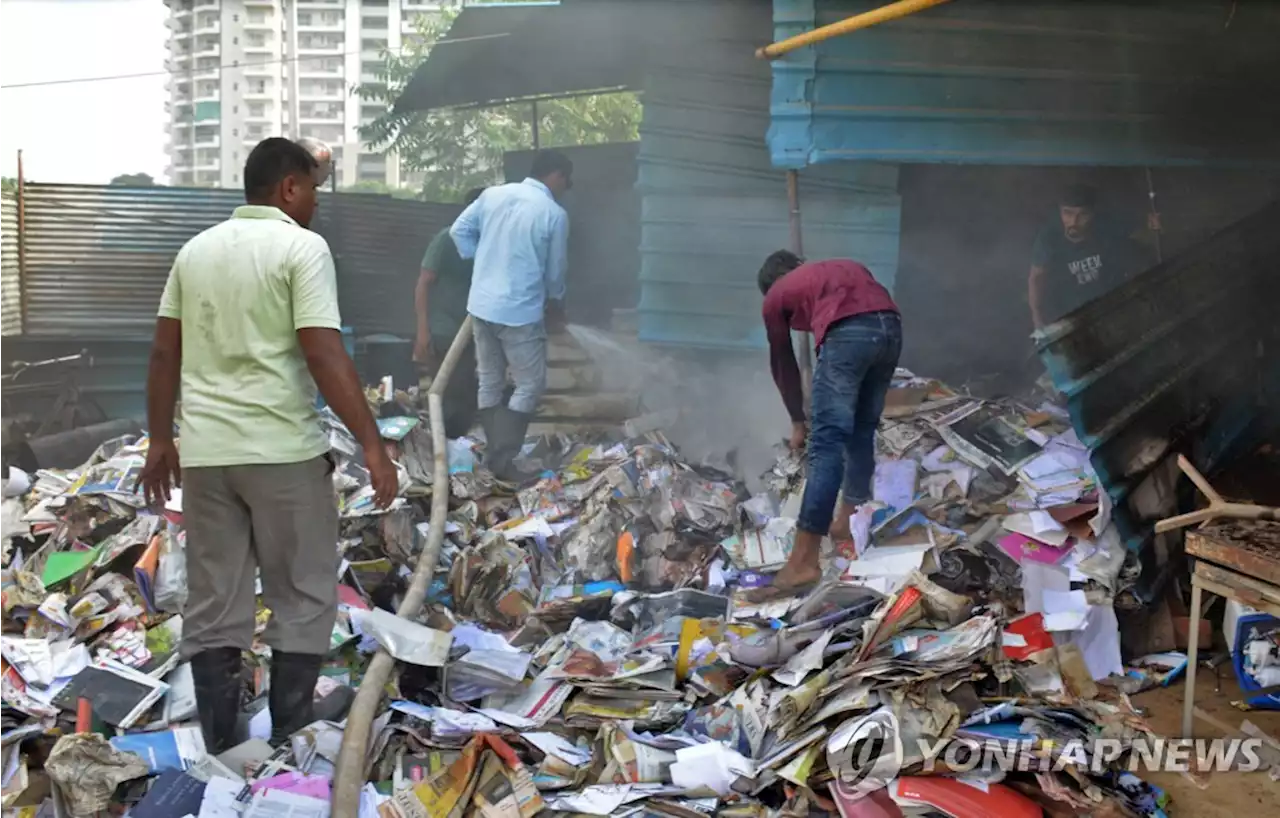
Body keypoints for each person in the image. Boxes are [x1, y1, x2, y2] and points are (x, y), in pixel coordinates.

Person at [138, 137, 397, 753]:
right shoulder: (302, 249)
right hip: (282, 453)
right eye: (311, 189)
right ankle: (288, 735)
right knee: (302, 594)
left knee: (215, 603)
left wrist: (158, 441)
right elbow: (323, 351)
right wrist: (373, 444)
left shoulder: (194, 252)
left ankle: (225, 750)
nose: (315, 202)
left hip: (206, 459)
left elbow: (162, 352)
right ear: (288, 188)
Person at [757, 251, 902, 595]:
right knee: (861, 432)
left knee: (826, 444)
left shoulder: (776, 295)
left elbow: (783, 363)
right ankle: (847, 521)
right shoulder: (844, 266)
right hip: (891, 328)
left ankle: (804, 561)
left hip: (848, 333)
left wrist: (797, 420)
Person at [449, 150, 572, 481]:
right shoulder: (553, 213)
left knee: (489, 379)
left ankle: (494, 455)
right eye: (566, 182)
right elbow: (556, 271)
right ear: (557, 174)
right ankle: (504, 459)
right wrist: (556, 303)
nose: (565, 188)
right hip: (520, 311)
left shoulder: (493, 195)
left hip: (482, 305)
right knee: (530, 384)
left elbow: (458, 231)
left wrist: (484, 263)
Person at [1028, 183, 1158, 329]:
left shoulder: (1107, 224)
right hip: (1069, 317)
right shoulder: (1049, 239)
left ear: (1093, 214)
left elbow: (1148, 227)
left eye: (1082, 215)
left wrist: (1154, 223)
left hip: (1112, 307)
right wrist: (1037, 318)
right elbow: (1037, 278)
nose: (1074, 221)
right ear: (1060, 212)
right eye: (1067, 213)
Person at [413, 186, 486, 437]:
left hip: (474, 332)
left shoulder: (489, 242)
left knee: (465, 393)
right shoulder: (447, 238)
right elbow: (423, 283)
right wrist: (423, 331)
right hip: (444, 329)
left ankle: (458, 451)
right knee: (446, 394)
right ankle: (442, 453)